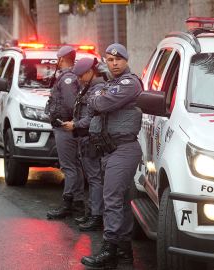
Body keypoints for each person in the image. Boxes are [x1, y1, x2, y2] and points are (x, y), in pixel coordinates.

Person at [81, 44, 143, 269]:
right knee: (120, 203)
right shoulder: (108, 84)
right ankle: (124, 253)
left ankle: (109, 248)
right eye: (109, 60)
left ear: (126, 60)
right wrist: (98, 96)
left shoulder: (129, 83)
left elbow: (100, 102)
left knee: (112, 201)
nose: (114, 63)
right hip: (109, 150)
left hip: (124, 149)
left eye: (118, 59)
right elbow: (94, 101)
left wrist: (98, 97)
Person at [62, 57, 105, 231]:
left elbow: (92, 116)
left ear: (90, 72)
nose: (79, 79)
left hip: (91, 138)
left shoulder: (97, 88)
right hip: (85, 137)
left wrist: (75, 124)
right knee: (92, 178)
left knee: (95, 179)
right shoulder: (89, 87)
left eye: (81, 75)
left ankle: (97, 216)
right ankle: (92, 212)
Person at [46, 46, 85, 220]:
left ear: (62, 58)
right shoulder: (70, 76)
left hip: (66, 127)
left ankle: (68, 204)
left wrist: (71, 123)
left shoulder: (68, 78)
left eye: (57, 58)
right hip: (69, 127)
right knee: (74, 167)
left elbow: (71, 105)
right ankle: (77, 203)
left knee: (69, 167)